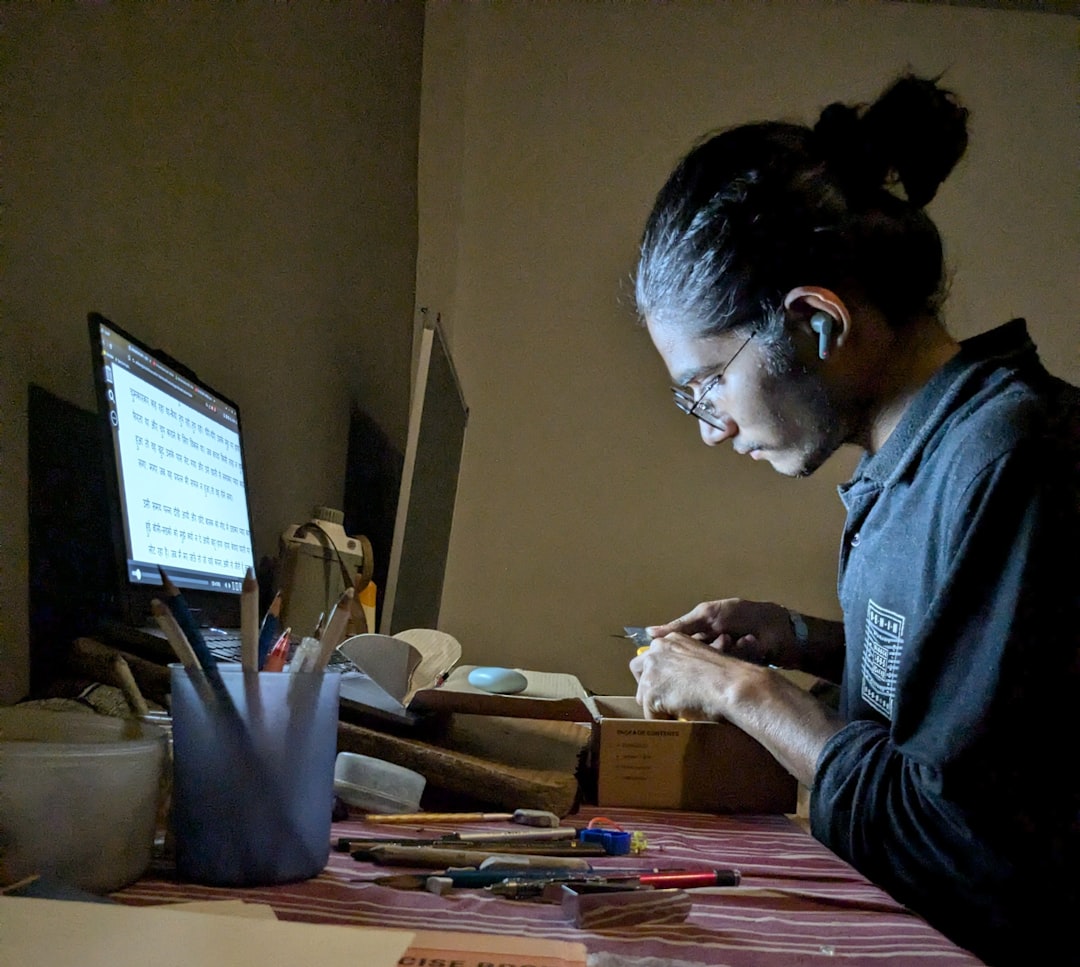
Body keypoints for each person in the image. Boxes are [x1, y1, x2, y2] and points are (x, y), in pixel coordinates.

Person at [629, 73, 1079, 965]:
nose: (713, 426)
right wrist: (803, 640)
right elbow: (986, 691)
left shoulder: (1014, 457)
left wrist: (743, 692)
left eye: (709, 382)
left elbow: (958, 839)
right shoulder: (911, 463)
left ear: (818, 321)